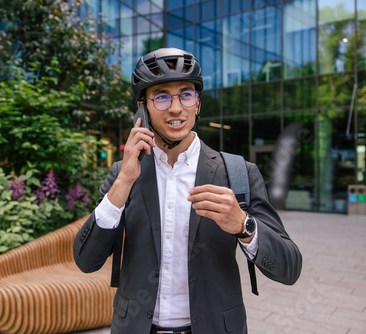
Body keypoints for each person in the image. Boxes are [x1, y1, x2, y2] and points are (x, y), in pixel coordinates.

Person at [73, 48, 302, 334]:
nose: (176, 108)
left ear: (198, 104)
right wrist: (122, 183)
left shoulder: (237, 172)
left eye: (186, 94)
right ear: (142, 107)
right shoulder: (124, 173)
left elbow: (289, 267)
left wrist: (245, 226)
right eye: (162, 96)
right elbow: (86, 261)